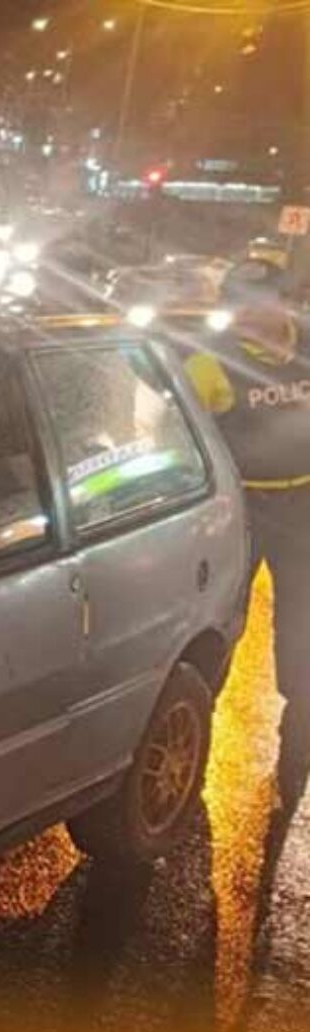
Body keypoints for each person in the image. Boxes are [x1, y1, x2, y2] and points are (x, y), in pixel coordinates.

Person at [184, 259, 310, 815]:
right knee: (219, 622)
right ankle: (191, 747)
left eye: (268, 298)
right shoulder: (209, 363)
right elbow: (181, 438)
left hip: (303, 503)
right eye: (243, 301)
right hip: (240, 512)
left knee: (303, 624)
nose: (256, 312)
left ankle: (300, 740)